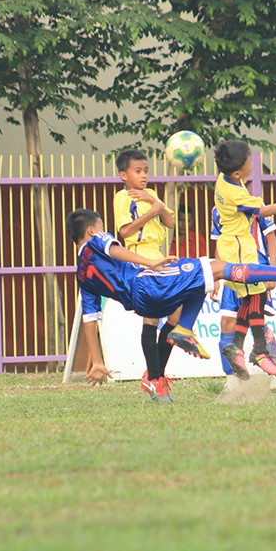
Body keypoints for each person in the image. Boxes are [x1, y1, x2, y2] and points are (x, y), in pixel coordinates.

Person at [67, 208, 276, 399]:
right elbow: (114, 250)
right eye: (101, 227)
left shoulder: (82, 276)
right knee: (216, 268)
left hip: (139, 303)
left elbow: (90, 320)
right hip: (147, 283)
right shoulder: (96, 240)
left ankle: (170, 353)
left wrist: (98, 361)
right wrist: (149, 262)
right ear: (91, 230)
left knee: (196, 286)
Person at [213, 141, 276, 378]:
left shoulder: (224, 179)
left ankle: (237, 347)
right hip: (239, 249)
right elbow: (264, 211)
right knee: (257, 294)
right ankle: (258, 351)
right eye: (250, 162)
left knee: (250, 299)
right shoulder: (237, 193)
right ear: (237, 172)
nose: (252, 164)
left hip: (233, 246)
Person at [112, 148, 179, 401]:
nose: (143, 176)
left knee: (177, 314)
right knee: (151, 319)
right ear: (123, 175)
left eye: (146, 171)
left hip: (159, 258)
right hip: (141, 259)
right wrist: (153, 210)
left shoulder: (150, 194)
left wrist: (155, 204)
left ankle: (155, 374)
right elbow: (125, 233)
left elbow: (171, 223)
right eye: (137, 171)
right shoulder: (122, 198)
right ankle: (155, 379)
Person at [209, 207, 276, 380]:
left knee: (255, 317)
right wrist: (216, 277)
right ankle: (234, 377)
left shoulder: (255, 205)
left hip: (256, 270)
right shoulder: (217, 210)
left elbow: (271, 238)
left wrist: (271, 271)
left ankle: (274, 365)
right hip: (231, 272)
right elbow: (219, 244)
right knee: (227, 322)